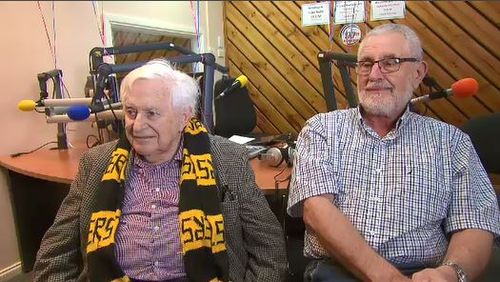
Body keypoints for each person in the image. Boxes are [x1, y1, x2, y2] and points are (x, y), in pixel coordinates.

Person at [34, 59, 287, 282]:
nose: (137, 125)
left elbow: (268, 249)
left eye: (152, 113)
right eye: (131, 112)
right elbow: (55, 253)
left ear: (184, 117)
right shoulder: (97, 163)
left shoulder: (228, 160)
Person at [287, 23, 500, 282]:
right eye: (365, 64)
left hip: (424, 274)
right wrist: (387, 278)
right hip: (337, 271)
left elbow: (476, 223)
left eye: (390, 62)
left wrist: (449, 274)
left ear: (419, 72)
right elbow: (317, 211)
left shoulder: (452, 143)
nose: (374, 74)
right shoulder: (322, 129)